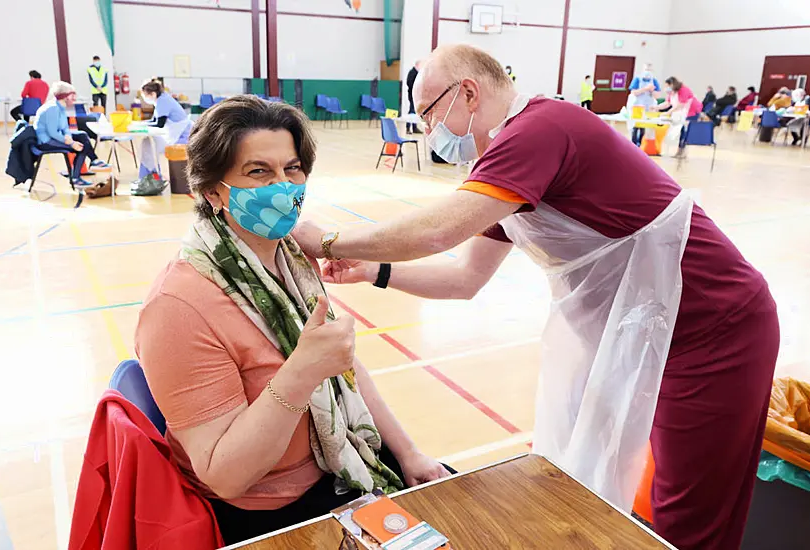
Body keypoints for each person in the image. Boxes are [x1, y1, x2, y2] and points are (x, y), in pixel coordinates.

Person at [292, 44, 778, 550]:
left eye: (428, 112)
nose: (428, 129)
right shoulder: (505, 159)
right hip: (644, 333)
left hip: (715, 331)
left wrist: (329, 241)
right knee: (610, 475)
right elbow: (465, 279)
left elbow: (441, 231)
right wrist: (375, 271)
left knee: (692, 511)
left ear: (468, 92)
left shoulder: (538, 130)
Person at [134, 95, 451, 545]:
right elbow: (225, 476)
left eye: (293, 168)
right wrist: (300, 373)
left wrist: (409, 453)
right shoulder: (177, 307)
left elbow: (345, 370)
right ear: (211, 190)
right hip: (274, 512)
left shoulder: (289, 260)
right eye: (258, 171)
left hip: (343, 460)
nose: (282, 186)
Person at [33, 81, 109, 187]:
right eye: (73, 95)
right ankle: (76, 178)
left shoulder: (61, 106)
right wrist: (72, 143)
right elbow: (52, 133)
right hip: (46, 141)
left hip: (54, 137)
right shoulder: (52, 108)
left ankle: (94, 160)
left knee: (82, 135)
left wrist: (68, 136)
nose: (75, 98)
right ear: (65, 96)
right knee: (80, 147)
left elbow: (65, 127)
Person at [134, 79, 193, 187]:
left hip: (181, 137)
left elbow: (159, 124)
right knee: (147, 143)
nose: (145, 99)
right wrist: (141, 124)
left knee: (149, 145)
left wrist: (144, 125)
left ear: (152, 94)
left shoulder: (163, 101)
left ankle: (152, 177)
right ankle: (150, 176)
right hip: (174, 134)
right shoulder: (161, 99)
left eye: (145, 96)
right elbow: (154, 120)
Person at [658, 77, 703, 156]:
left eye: (667, 86)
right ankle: (679, 151)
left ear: (672, 84)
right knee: (678, 129)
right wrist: (656, 107)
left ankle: (681, 151)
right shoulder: (672, 92)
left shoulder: (683, 90)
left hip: (691, 111)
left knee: (683, 130)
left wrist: (669, 112)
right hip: (681, 112)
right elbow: (667, 103)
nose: (666, 88)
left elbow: (681, 104)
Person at [628, 63, 660, 145]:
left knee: (643, 126)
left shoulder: (654, 81)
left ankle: (640, 143)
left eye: (649, 70)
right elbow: (633, 92)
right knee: (635, 125)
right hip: (637, 106)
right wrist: (645, 89)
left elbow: (657, 95)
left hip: (648, 106)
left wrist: (652, 90)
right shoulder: (637, 79)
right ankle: (633, 143)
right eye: (646, 69)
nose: (648, 72)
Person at [405, 60, 421, 134]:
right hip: (412, 96)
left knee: (415, 112)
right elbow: (409, 83)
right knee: (411, 111)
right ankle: (408, 128)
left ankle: (414, 128)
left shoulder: (417, 73)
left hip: (416, 96)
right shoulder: (412, 72)